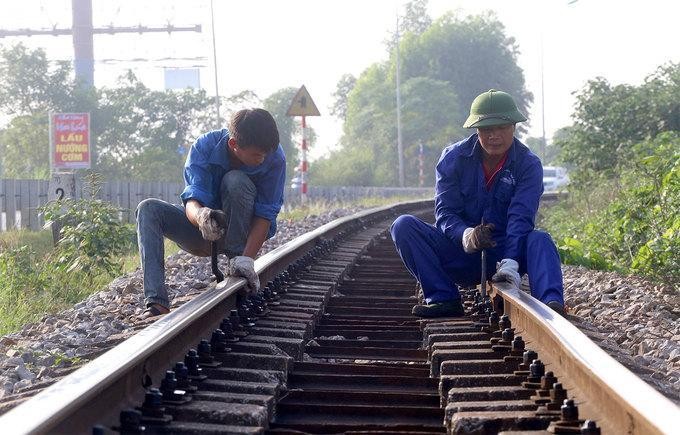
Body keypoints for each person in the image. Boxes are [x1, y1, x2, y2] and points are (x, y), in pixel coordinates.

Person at [391, 89, 565, 318]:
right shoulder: (453, 159)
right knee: (403, 225)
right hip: (460, 252)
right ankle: (443, 298)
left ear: (514, 127)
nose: (494, 136)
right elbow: (445, 212)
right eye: (486, 129)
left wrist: (511, 261)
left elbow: (521, 215)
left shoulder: (528, 164)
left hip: (504, 252)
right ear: (476, 130)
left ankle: (551, 304)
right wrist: (467, 236)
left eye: (501, 128)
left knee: (540, 240)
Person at [136, 108, 285, 319]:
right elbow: (191, 200)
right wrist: (202, 217)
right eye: (256, 154)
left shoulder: (275, 158)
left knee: (235, 180)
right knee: (148, 208)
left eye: (265, 154)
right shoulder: (204, 147)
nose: (263, 159)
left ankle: (236, 264)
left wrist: (247, 259)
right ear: (234, 145)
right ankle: (156, 303)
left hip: (244, 235)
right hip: (204, 232)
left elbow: (265, 214)